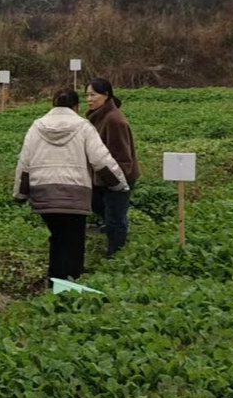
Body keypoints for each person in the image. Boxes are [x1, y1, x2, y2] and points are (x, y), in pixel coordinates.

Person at [13, 89, 128, 284]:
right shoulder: (83, 126)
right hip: (75, 194)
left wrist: (20, 194)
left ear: (52, 104)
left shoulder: (36, 126)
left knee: (57, 236)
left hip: (44, 194)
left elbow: (24, 164)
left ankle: (55, 282)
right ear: (76, 107)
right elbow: (101, 160)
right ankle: (70, 285)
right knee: (74, 241)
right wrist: (119, 185)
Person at [86, 77, 139, 256]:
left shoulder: (114, 120)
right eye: (87, 95)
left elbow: (123, 158)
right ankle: (112, 232)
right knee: (98, 206)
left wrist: (117, 184)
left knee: (116, 218)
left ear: (106, 96)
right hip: (103, 177)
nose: (89, 99)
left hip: (118, 178)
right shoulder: (100, 116)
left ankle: (116, 254)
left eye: (93, 95)